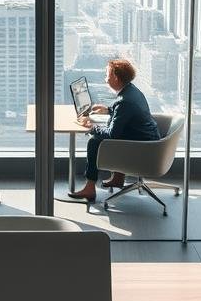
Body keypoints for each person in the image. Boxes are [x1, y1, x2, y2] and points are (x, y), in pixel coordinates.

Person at [66, 58, 159, 203]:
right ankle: (117, 178)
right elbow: (127, 114)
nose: (105, 79)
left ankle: (90, 189)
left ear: (116, 77)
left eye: (107, 75)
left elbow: (111, 134)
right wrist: (108, 110)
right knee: (118, 132)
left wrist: (91, 127)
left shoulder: (124, 101)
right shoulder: (132, 91)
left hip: (144, 149)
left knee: (94, 142)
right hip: (149, 139)